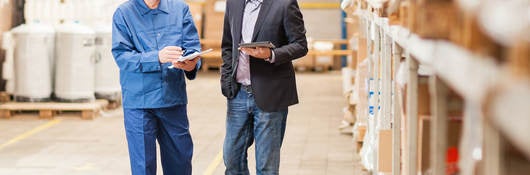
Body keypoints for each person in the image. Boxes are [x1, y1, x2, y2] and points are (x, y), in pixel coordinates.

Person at [111, 0, 201, 174]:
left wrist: (190, 64)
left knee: (180, 163)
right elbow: (122, 56)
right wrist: (157, 57)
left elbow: (192, 49)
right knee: (143, 166)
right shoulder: (124, 13)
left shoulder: (180, 9)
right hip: (139, 103)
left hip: (172, 99)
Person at [220, 0, 308, 174]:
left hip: (271, 93)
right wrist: (226, 79)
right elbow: (228, 44)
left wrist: (271, 54)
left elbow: (300, 45)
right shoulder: (234, 3)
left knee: (266, 165)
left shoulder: (284, 4)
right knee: (231, 159)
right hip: (238, 93)